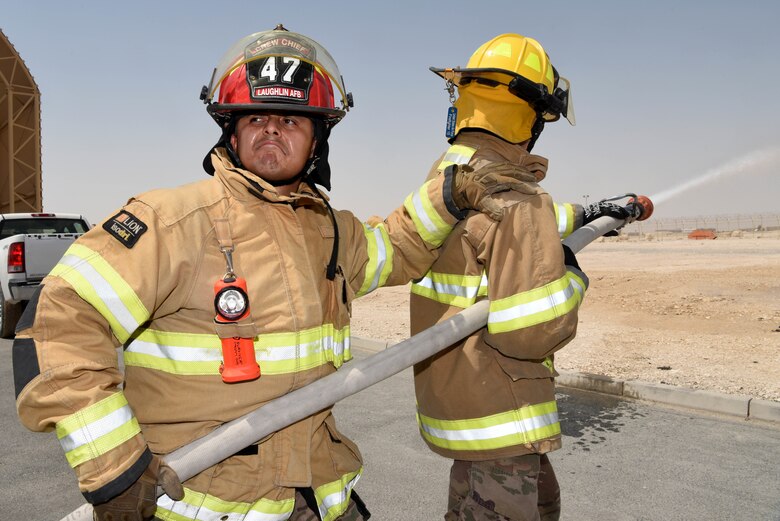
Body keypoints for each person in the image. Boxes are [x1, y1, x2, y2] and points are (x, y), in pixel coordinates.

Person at [12, 26, 533, 521]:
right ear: (231, 130)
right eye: (256, 117)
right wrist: (113, 465)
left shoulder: (328, 230)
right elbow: (60, 320)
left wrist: (451, 190)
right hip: (207, 502)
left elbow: (397, 247)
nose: (272, 130)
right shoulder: (172, 222)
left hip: (318, 496)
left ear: (317, 139)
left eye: (290, 121)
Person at [409, 33, 592, 520]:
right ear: (532, 115)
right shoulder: (522, 196)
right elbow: (532, 328)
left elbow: (500, 231)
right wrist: (572, 276)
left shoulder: (447, 177)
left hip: (460, 398)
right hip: (503, 409)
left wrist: (591, 213)